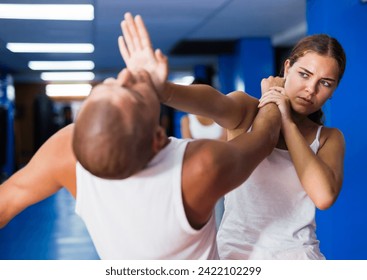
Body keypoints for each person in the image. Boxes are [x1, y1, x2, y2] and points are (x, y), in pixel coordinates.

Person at [119, 12, 346, 259]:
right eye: (304, 74)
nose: (310, 89)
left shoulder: (328, 138)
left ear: (333, 90)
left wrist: (286, 121)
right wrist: (164, 90)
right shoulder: (248, 110)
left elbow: (323, 196)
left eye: (325, 83)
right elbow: (214, 102)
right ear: (288, 68)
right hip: (236, 256)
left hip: (298, 258)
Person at [0, 68, 281, 259]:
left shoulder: (67, 150)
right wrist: (272, 96)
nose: (123, 76)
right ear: (158, 138)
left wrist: (155, 86)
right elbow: (264, 137)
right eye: (129, 91)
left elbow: (6, 200)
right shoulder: (201, 167)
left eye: (109, 85)